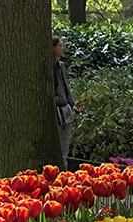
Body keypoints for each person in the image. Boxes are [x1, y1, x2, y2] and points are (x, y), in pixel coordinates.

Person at [54, 35, 76, 169]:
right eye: (60, 45)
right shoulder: (48, 67)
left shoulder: (61, 66)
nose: (63, 48)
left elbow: (66, 88)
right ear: (53, 48)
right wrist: (61, 102)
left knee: (64, 150)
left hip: (66, 112)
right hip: (57, 113)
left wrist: (71, 104)